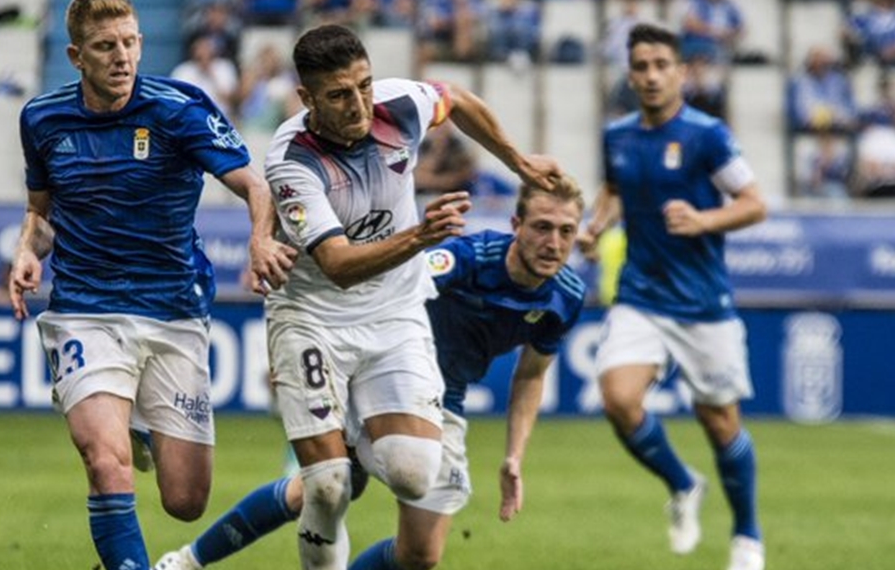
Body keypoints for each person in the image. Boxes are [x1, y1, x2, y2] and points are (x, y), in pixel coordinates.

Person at [153, 177, 586, 570]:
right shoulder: (469, 258)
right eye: (542, 227)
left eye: (566, 231)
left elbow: (531, 376)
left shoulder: (565, 297)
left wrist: (514, 456)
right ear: (517, 223)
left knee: (420, 555)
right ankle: (185, 562)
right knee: (320, 488)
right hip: (377, 378)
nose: (553, 242)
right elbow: (393, 278)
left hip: (441, 402)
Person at [7, 0, 296, 570]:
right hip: (85, 310)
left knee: (186, 502)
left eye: (131, 42)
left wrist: (261, 238)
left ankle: (137, 422)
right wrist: (26, 250)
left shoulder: (179, 109)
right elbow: (41, 213)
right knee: (104, 461)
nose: (123, 57)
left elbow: (255, 184)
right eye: (105, 46)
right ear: (75, 56)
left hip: (173, 312)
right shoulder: (42, 119)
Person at [253, 24, 561, 570]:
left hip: (393, 312)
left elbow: (457, 99)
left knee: (416, 474)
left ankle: (349, 431)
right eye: (339, 95)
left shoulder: (399, 104)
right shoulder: (292, 161)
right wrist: (420, 236)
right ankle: (336, 450)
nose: (359, 104)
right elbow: (338, 265)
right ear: (307, 98)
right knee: (327, 489)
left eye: (364, 86)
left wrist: (516, 161)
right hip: (314, 317)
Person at [577, 23, 767, 570]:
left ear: (681, 72)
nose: (652, 75)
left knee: (720, 423)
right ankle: (684, 484)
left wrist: (705, 218)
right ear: (631, 75)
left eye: (662, 65)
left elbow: (754, 203)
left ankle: (747, 537)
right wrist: (595, 226)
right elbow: (615, 189)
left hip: (704, 303)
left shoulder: (708, 136)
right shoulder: (617, 137)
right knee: (618, 399)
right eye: (642, 66)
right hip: (641, 296)